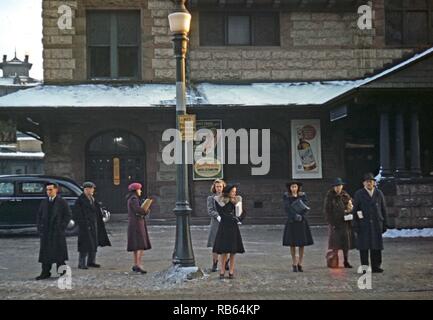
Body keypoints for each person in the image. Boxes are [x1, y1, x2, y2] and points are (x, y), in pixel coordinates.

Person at [352, 173, 389, 273]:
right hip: (363, 224)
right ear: (364, 183)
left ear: (374, 183)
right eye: (367, 181)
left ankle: (376, 266)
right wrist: (355, 224)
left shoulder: (379, 193)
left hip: (377, 223)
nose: (369, 183)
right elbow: (355, 210)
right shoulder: (359, 194)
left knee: (376, 246)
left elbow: (383, 209)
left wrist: (385, 223)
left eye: (371, 181)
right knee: (364, 247)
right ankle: (365, 267)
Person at [35, 182, 72, 280]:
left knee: (59, 254)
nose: (48, 192)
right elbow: (39, 215)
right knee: (45, 254)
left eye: (50, 189)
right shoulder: (44, 202)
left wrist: (62, 227)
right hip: (46, 232)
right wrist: (40, 228)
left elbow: (68, 215)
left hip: (57, 231)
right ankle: (45, 272)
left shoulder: (62, 202)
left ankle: (62, 272)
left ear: (56, 190)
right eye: (47, 190)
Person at [73, 181, 111, 269]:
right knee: (84, 245)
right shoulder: (80, 201)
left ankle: (91, 261)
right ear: (86, 189)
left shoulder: (92, 199)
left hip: (94, 224)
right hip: (85, 226)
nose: (93, 190)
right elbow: (77, 214)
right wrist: (83, 224)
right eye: (91, 188)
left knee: (93, 243)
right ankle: (81, 263)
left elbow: (96, 211)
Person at [213, 184, 245, 279]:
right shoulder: (220, 201)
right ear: (228, 192)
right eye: (232, 192)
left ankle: (231, 271)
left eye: (235, 192)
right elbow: (222, 213)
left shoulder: (236, 201)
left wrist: (239, 218)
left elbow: (243, 212)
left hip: (233, 228)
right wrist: (233, 218)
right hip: (224, 227)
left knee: (233, 251)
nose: (234, 193)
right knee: (224, 251)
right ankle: (222, 271)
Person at [282, 181, 314, 272]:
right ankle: (294, 263)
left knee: (301, 243)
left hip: (301, 222)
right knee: (292, 243)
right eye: (292, 187)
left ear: (298, 187)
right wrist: (294, 216)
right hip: (292, 222)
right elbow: (287, 208)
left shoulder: (303, 196)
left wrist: (301, 215)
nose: (294, 188)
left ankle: (300, 263)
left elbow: (305, 207)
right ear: (290, 188)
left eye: (295, 186)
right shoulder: (286, 196)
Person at [324, 178, 355, 268]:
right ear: (333, 187)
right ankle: (334, 260)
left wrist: (350, 208)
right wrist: (331, 223)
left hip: (344, 222)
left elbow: (351, 205)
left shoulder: (345, 195)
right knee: (335, 243)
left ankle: (346, 261)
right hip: (335, 223)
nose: (338, 188)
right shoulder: (330, 196)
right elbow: (327, 211)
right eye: (336, 186)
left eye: (340, 186)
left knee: (346, 243)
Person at [126, 182, 151, 274]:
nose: (140, 191)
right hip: (137, 224)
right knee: (140, 245)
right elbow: (138, 210)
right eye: (139, 189)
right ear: (136, 190)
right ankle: (138, 264)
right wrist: (146, 210)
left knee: (137, 245)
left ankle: (136, 264)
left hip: (135, 223)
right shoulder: (134, 199)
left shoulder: (132, 198)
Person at [207, 179, 226, 272]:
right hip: (215, 223)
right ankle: (214, 264)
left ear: (223, 187)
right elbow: (210, 210)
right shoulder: (211, 198)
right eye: (217, 186)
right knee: (215, 245)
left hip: (226, 223)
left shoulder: (226, 197)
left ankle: (225, 263)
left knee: (226, 244)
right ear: (214, 187)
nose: (218, 188)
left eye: (220, 186)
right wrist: (217, 216)